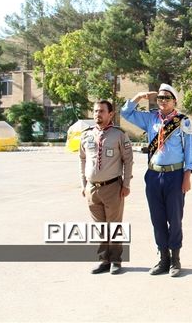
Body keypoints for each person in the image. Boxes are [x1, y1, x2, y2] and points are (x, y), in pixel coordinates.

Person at [121, 84, 192, 277]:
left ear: (175, 101)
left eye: (167, 98)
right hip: (154, 175)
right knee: (157, 219)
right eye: (160, 98)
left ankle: (175, 259)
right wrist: (139, 96)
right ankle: (163, 259)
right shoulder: (151, 119)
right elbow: (126, 113)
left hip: (175, 175)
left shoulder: (183, 122)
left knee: (175, 218)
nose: (162, 101)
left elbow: (190, 151)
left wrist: (187, 176)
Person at [80, 100, 133, 275]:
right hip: (92, 189)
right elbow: (82, 159)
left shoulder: (119, 135)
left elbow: (128, 160)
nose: (97, 114)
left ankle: (116, 260)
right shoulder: (86, 135)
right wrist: (83, 184)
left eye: (101, 111)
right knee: (99, 227)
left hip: (112, 187)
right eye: (95, 111)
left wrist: (126, 184)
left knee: (114, 226)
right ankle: (104, 260)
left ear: (110, 114)